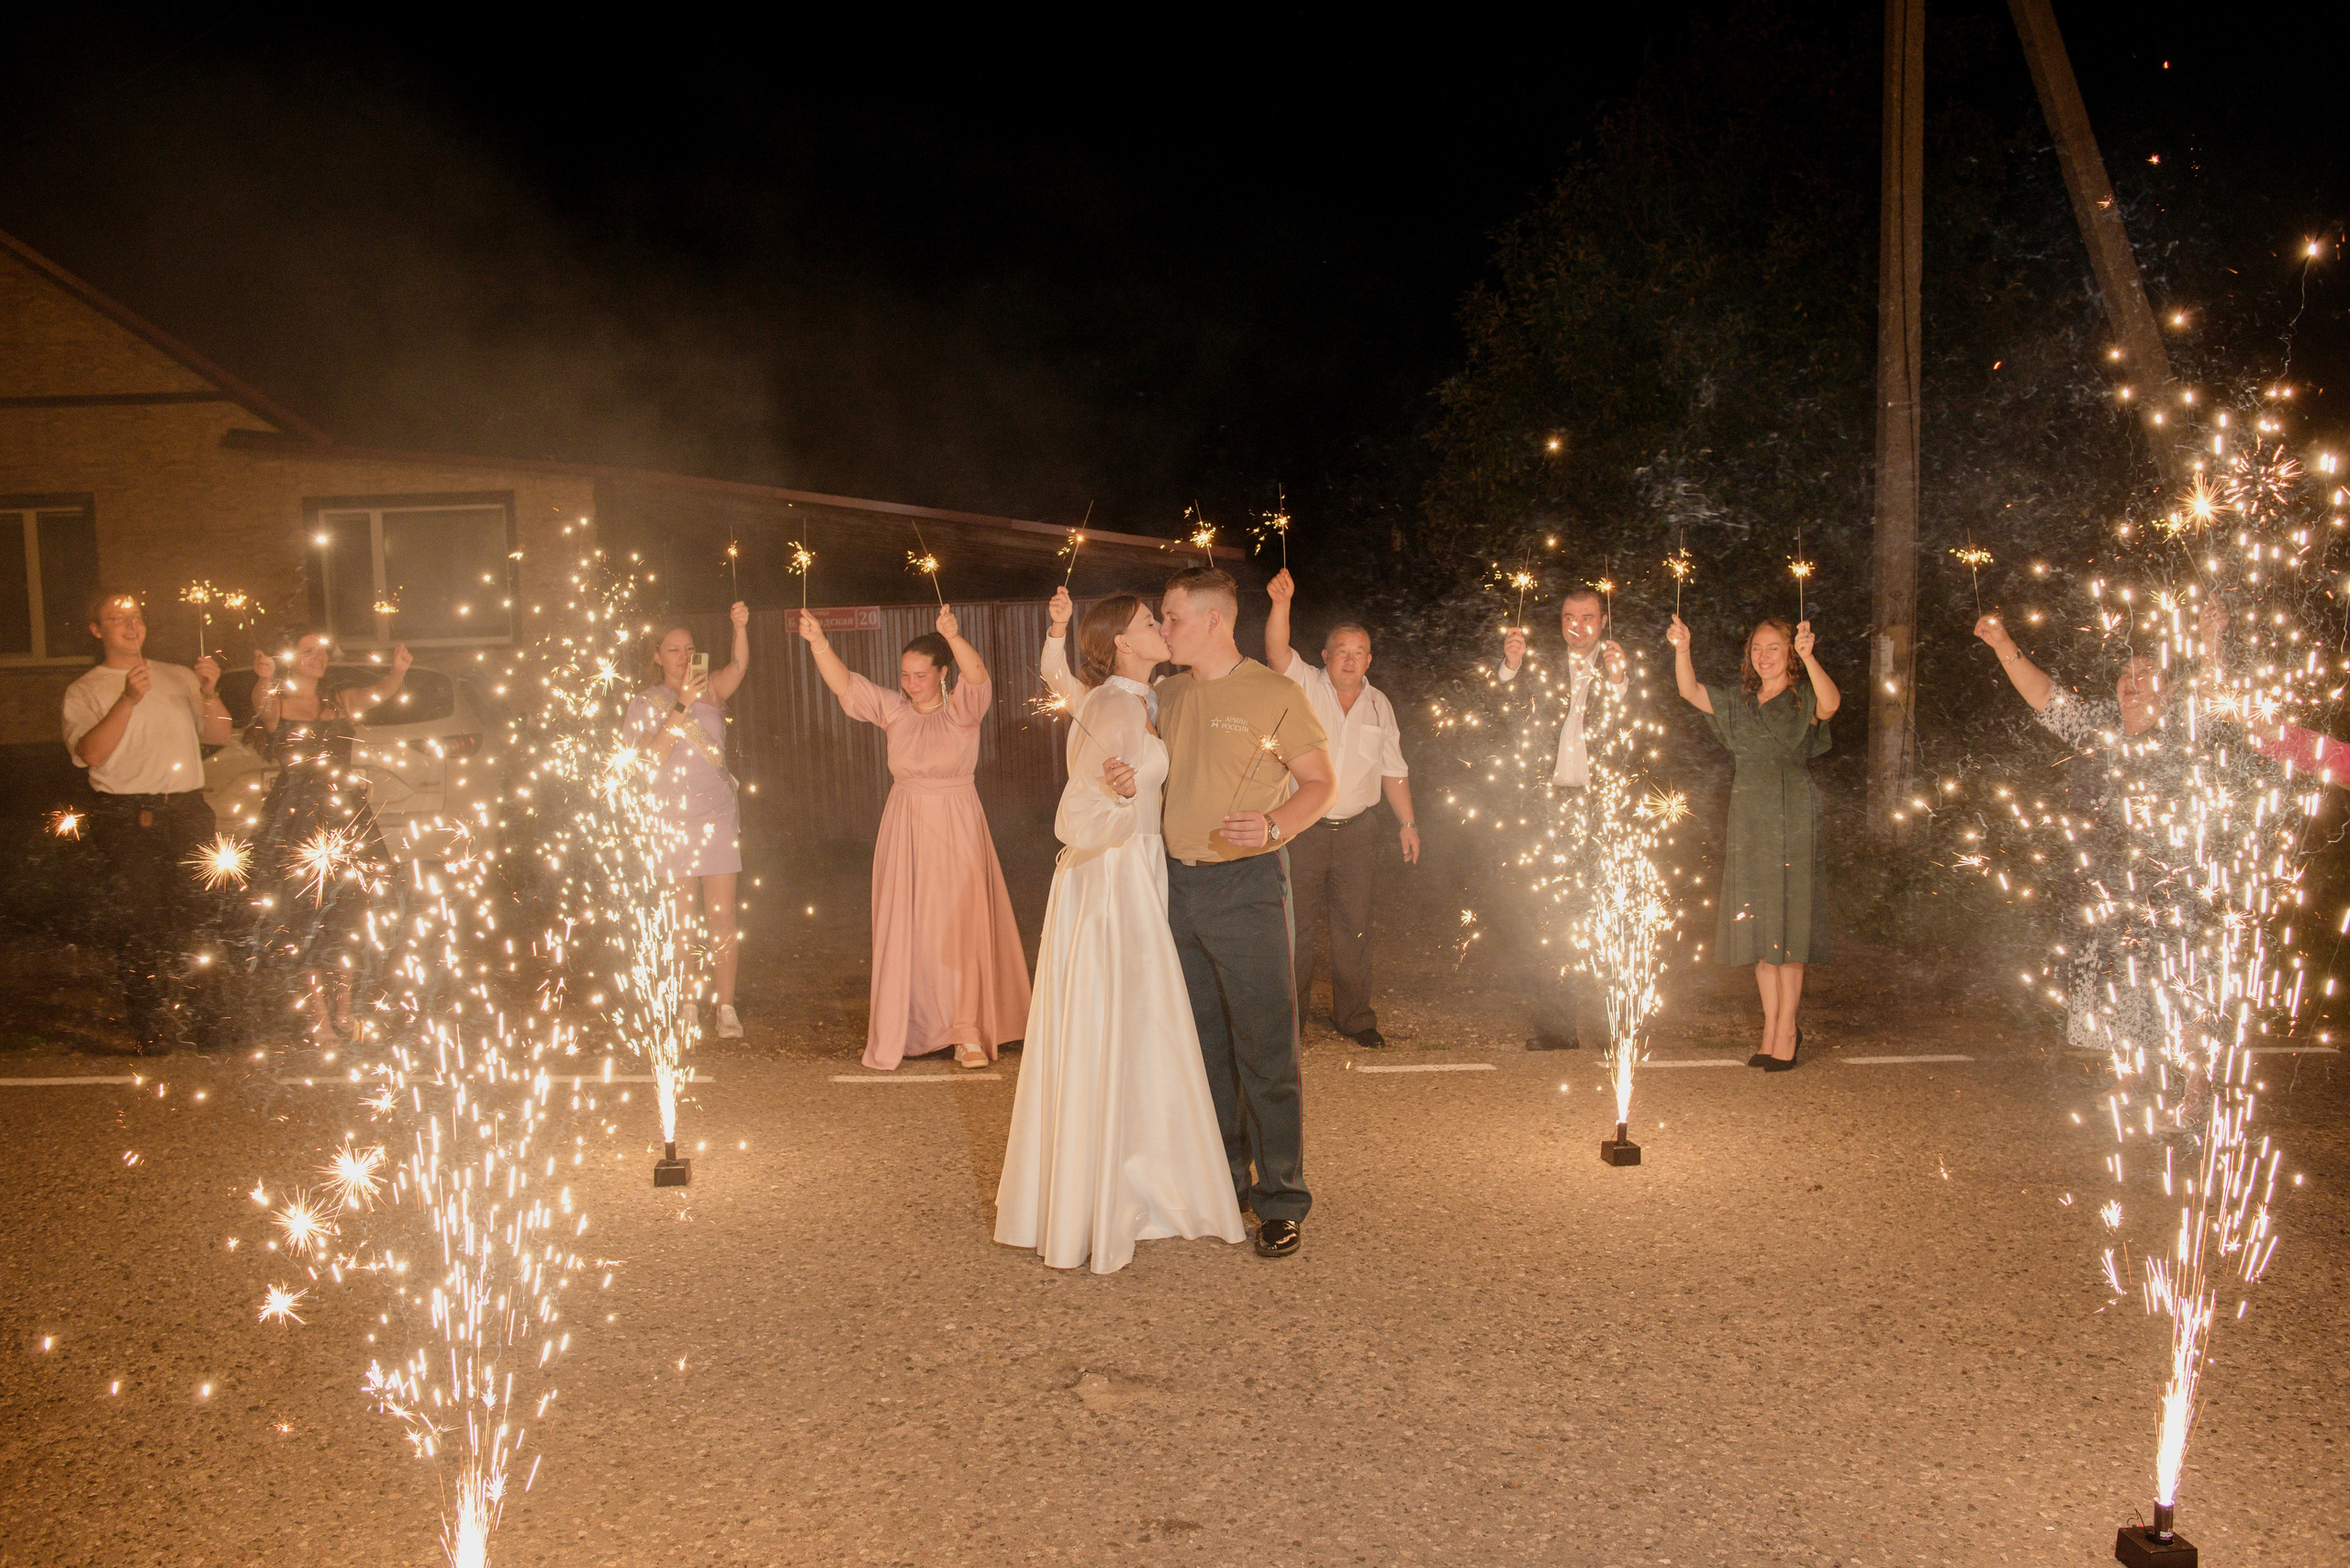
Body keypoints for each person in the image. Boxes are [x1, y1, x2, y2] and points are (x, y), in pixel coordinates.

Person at [996, 594, 1248, 1272]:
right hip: (1114, 883)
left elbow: (1061, 683)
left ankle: (1118, 1178)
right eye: (1148, 623)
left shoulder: (1127, 696)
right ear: (1125, 644)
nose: (1160, 628)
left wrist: (1054, 632)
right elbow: (1077, 814)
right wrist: (1121, 797)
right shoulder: (1115, 704)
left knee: (1127, 1027)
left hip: (1125, 874)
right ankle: (1119, 1192)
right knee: (1131, 1024)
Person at [1156, 566, 1337, 1259]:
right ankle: (1222, 1186)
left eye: (1171, 616)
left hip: (1248, 887)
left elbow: (1321, 784)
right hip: (1175, 889)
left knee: (1265, 1051)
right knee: (1204, 1051)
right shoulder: (1166, 694)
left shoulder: (1274, 691)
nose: (1164, 628)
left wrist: (1271, 827)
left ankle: (1281, 1199)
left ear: (1212, 620)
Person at [799, 603, 1030, 1070]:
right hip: (904, 823)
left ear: (942, 673)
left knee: (958, 924)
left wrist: (955, 636)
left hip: (956, 823)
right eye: (904, 675)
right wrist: (817, 641)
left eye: (920, 675)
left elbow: (978, 675)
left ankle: (966, 1030)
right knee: (910, 925)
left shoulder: (962, 712)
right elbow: (846, 684)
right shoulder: (895, 712)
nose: (909, 683)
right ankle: (913, 1024)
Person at [61, 590, 235, 1054]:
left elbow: (218, 734)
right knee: (140, 924)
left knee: (200, 918)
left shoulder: (178, 677)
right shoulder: (85, 689)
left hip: (187, 811)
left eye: (135, 616)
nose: (130, 625)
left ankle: (209, 1021)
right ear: (97, 631)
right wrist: (128, 699)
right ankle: (152, 1026)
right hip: (127, 815)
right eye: (116, 618)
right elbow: (90, 754)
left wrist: (211, 693)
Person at [1667, 611, 1840, 1069]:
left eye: (1774, 649)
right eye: (1757, 649)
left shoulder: (1802, 698)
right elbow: (1690, 691)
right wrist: (1683, 648)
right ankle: (1770, 1029)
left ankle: (1788, 1031)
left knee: (1789, 925)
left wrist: (1811, 656)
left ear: (1789, 654)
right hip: (1748, 815)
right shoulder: (1741, 703)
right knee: (1764, 931)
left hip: (1792, 812)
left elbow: (1831, 704)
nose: (1764, 657)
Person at [1261, 567, 1416, 1049]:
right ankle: (1289, 1022)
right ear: (1325, 657)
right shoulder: (1303, 684)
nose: (1350, 660)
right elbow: (1275, 652)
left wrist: (1408, 823)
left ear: (1369, 659)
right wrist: (1282, 604)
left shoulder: (1379, 706)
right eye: (1341, 651)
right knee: (1296, 926)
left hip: (1358, 832)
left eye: (1359, 652)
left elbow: (1394, 770)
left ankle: (1355, 1018)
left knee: (1355, 924)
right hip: (1302, 826)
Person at [245, 628, 410, 1042]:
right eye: (307, 650)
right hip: (298, 816)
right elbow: (261, 707)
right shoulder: (278, 703)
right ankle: (318, 1015)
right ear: (288, 658)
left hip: (344, 814)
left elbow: (381, 692)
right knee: (303, 913)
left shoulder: (338, 702)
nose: (318, 656)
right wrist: (263, 677)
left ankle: (344, 1011)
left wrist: (398, 672)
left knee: (348, 909)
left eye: (321, 650)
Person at [1496, 587, 1627, 1051]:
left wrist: (1618, 682)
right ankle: (1557, 1028)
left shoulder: (1621, 666)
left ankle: (1618, 1028)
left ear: (1603, 620)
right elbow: (1505, 712)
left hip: (1603, 809)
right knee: (1550, 916)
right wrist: (1510, 667)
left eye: (1588, 616)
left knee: (1609, 914)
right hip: (1552, 806)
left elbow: (1639, 726)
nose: (1578, 625)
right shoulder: (1541, 667)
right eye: (1569, 617)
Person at [624, 602, 751, 1038]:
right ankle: (687, 1005)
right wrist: (682, 704)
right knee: (682, 919)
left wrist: (739, 626)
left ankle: (727, 1007)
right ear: (657, 656)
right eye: (673, 650)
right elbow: (652, 757)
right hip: (672, 819)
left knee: (722, 916)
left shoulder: (712, 690)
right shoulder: (645, 702)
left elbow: (739, 665)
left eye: (689, 649)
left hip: (716, 815)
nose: (682, 657)